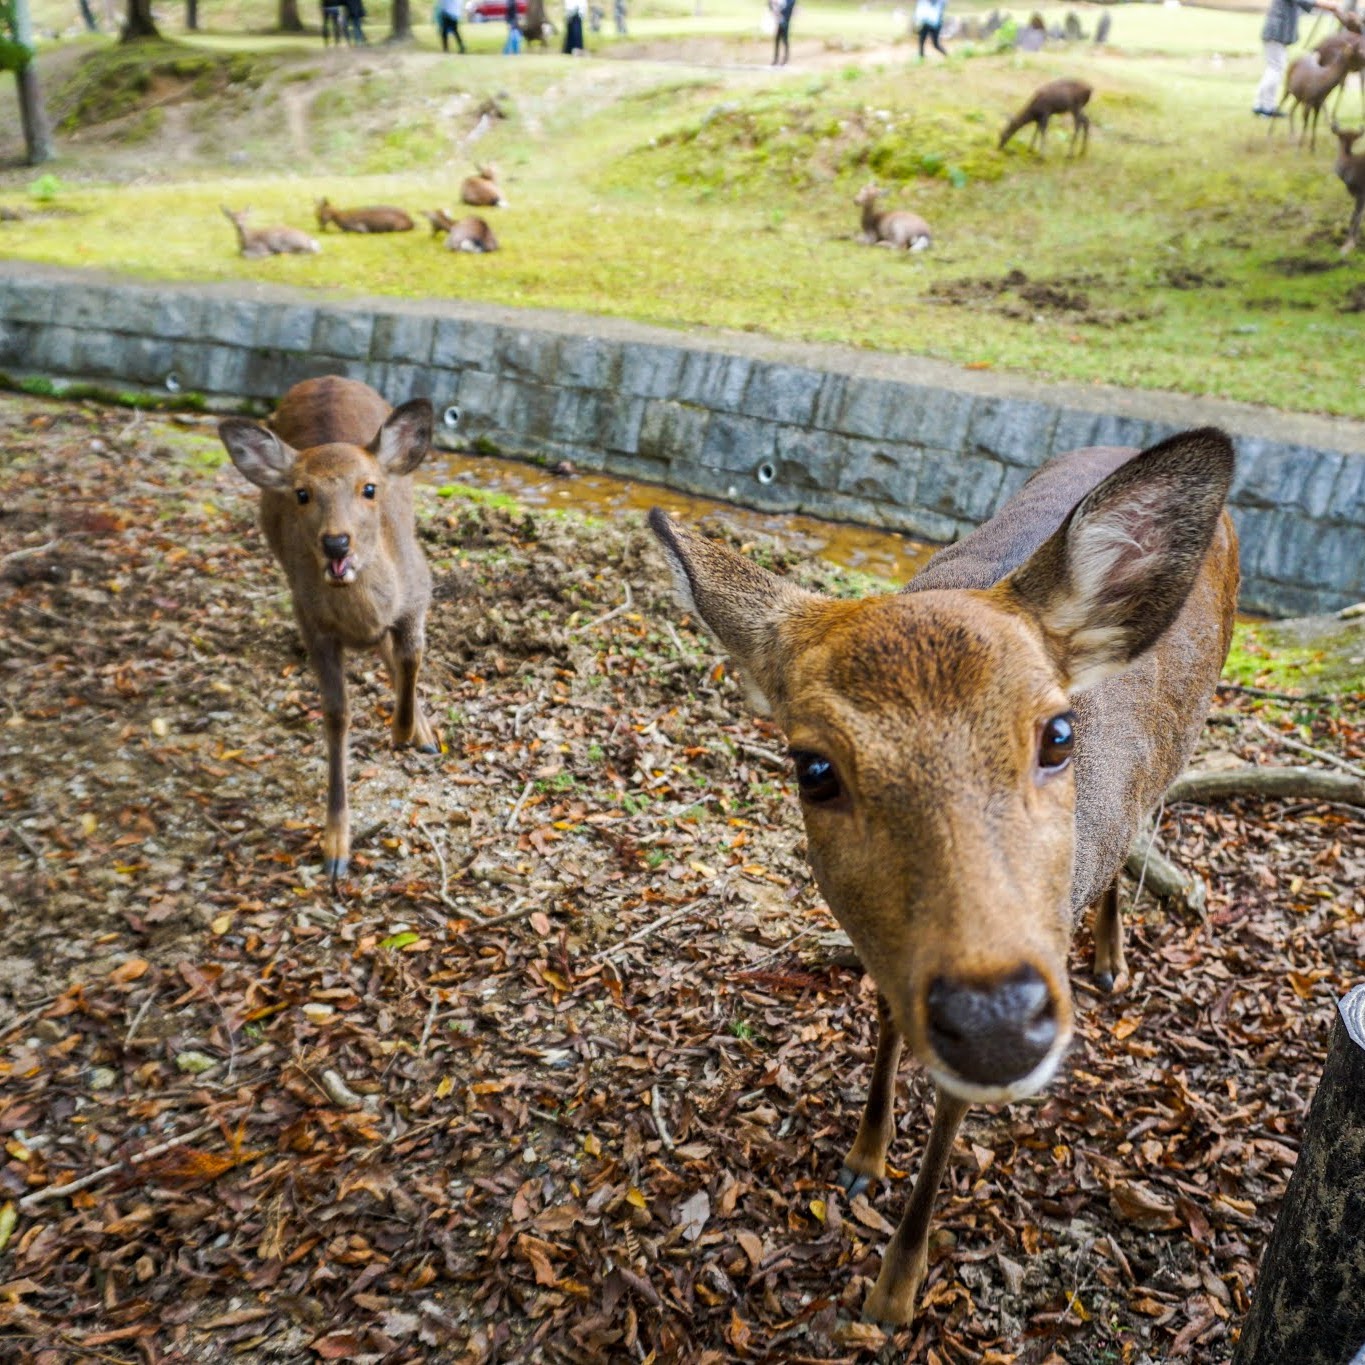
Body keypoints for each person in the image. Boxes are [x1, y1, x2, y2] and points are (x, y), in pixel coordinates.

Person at [1255, 0, 1342, 115]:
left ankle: (1263, 105)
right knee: (1276, 69)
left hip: (1276, 34)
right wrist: (1327, 5)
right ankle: (1264, 107)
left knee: (1274, 68)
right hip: (1276, 34)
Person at [772, 0, 795, 64]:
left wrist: (779, 12)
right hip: (779, 21)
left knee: (785, 40)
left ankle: (785, 57)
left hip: (786, 22)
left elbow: (788, 9)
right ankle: (776, 58)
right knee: (777, 40)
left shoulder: (791, 1)